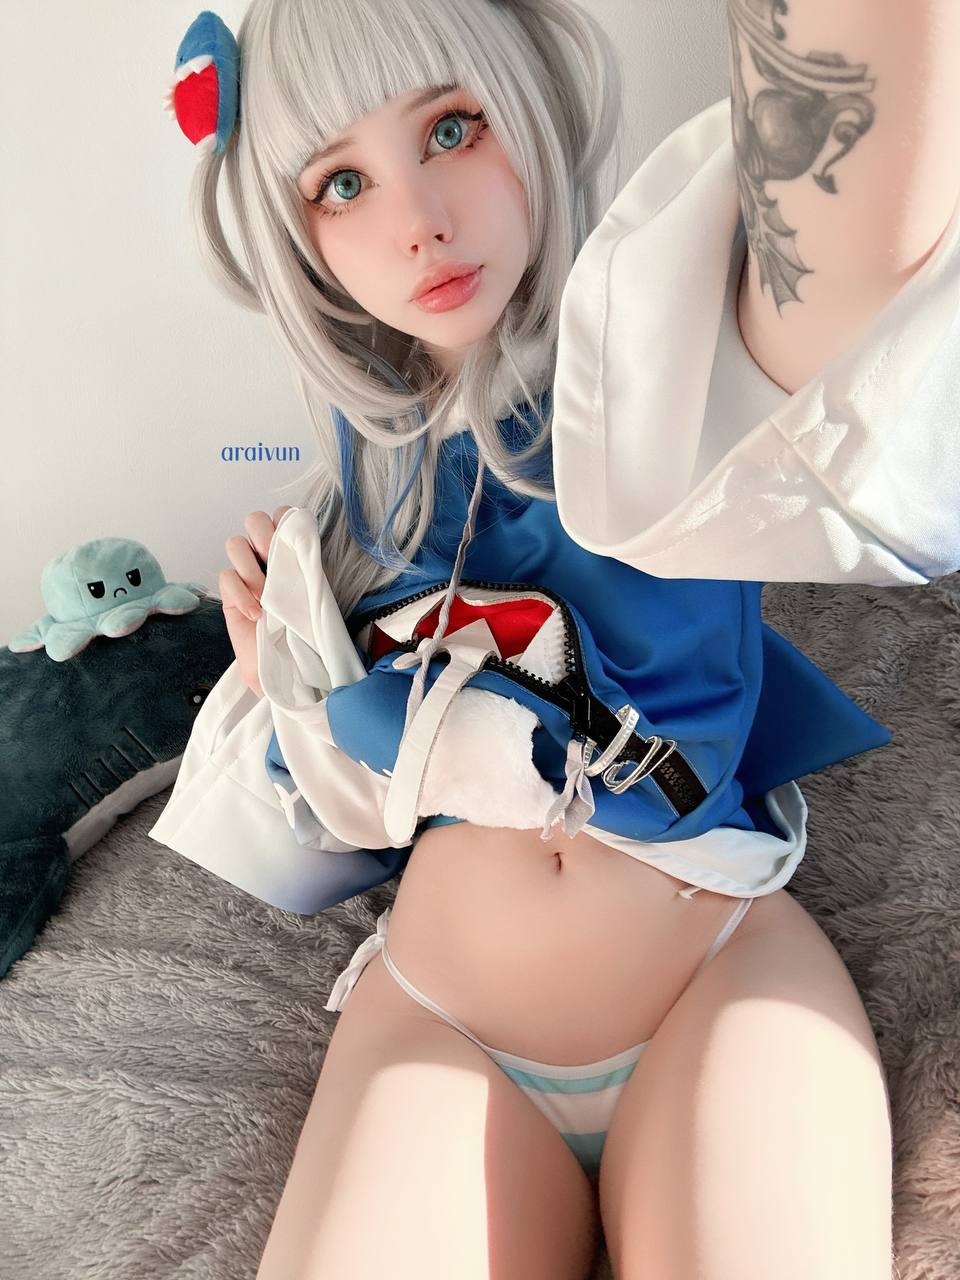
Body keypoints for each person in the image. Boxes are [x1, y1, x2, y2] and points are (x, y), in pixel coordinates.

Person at [151, 2, 897, 1276]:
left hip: (713, 973)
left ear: (529, 100)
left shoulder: (682, 350)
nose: (418, 220)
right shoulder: (345, 504)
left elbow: (858, 215)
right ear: (296, 237)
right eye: (342, 183)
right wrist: (286, 662)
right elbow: (341, 821)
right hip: (442, 1023)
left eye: (452, 127)